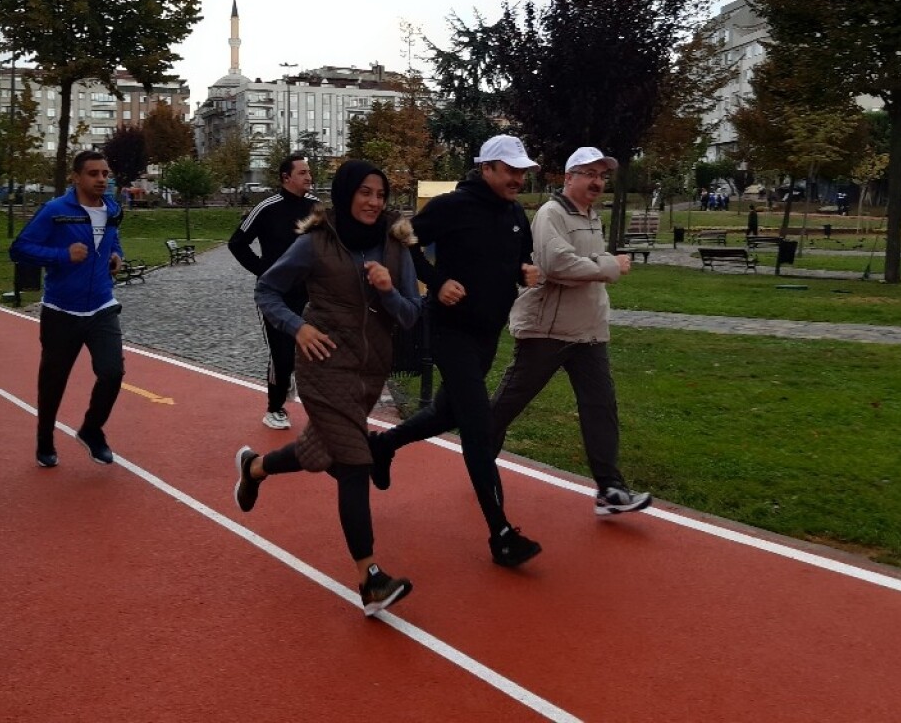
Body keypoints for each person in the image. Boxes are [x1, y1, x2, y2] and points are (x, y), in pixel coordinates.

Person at [234, 161, 421, 617]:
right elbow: (268, 290)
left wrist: (388, 291)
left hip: (368, 372)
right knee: (355, 463)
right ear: (343, 195)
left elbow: (412, 314)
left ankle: (254, 469)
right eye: (364, 192)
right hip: (321, 365)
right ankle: (370, 577)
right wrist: (297, 328)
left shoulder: (396, 249)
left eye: (380, 193)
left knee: (323, 450)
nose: (373, 202)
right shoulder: (315, 243)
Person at [369, 135, 543, 568]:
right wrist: (435, 279)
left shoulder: (516, 215)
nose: (518, 178)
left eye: (522, 171)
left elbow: (519, 262)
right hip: (450, 332)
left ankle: (384, 445)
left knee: (448, 414)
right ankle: (501, 533)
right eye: (510, 170)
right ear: (486, 168)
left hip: (487, 335)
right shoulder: (452, 206)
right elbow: (402, 238)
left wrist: (526, 273)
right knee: (477, 426)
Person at [490, 148, 652, 517]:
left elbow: (582, 266)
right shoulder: (552, 214)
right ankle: (478, 459)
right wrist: (610, 264)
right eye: (589, 173)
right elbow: (557, 264)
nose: (597, 181)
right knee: (508, 404)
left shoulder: (592, 217)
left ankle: (610, 489)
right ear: (568, 178)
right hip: (549, 331)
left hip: (589, 332)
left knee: (600, 407)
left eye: (602, 175)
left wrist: (598, 269)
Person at [10, 151, 125, 468]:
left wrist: (116, 254)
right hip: (61, 310)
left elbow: (113, 239)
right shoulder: (55, 211)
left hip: (102, 305)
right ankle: (44, 439)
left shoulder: (113, 207)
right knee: (53, 381)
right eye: (93, 174)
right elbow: (19, 249)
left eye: (105, 173)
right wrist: (62, 255)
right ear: (76, 177)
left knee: (112, 372)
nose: (102, 179)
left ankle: (91, 429)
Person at [228, 154, 318, 429]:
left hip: (311, 294)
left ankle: (321, 408)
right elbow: (237, 243)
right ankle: (275, 407)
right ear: (286, 177)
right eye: (302, 173)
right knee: (281, 353)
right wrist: (264, 272)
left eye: (309, 172)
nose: (308, 177)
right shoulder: (267, 207)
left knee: (315, 352)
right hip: (276, 295)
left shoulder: (317, 208)